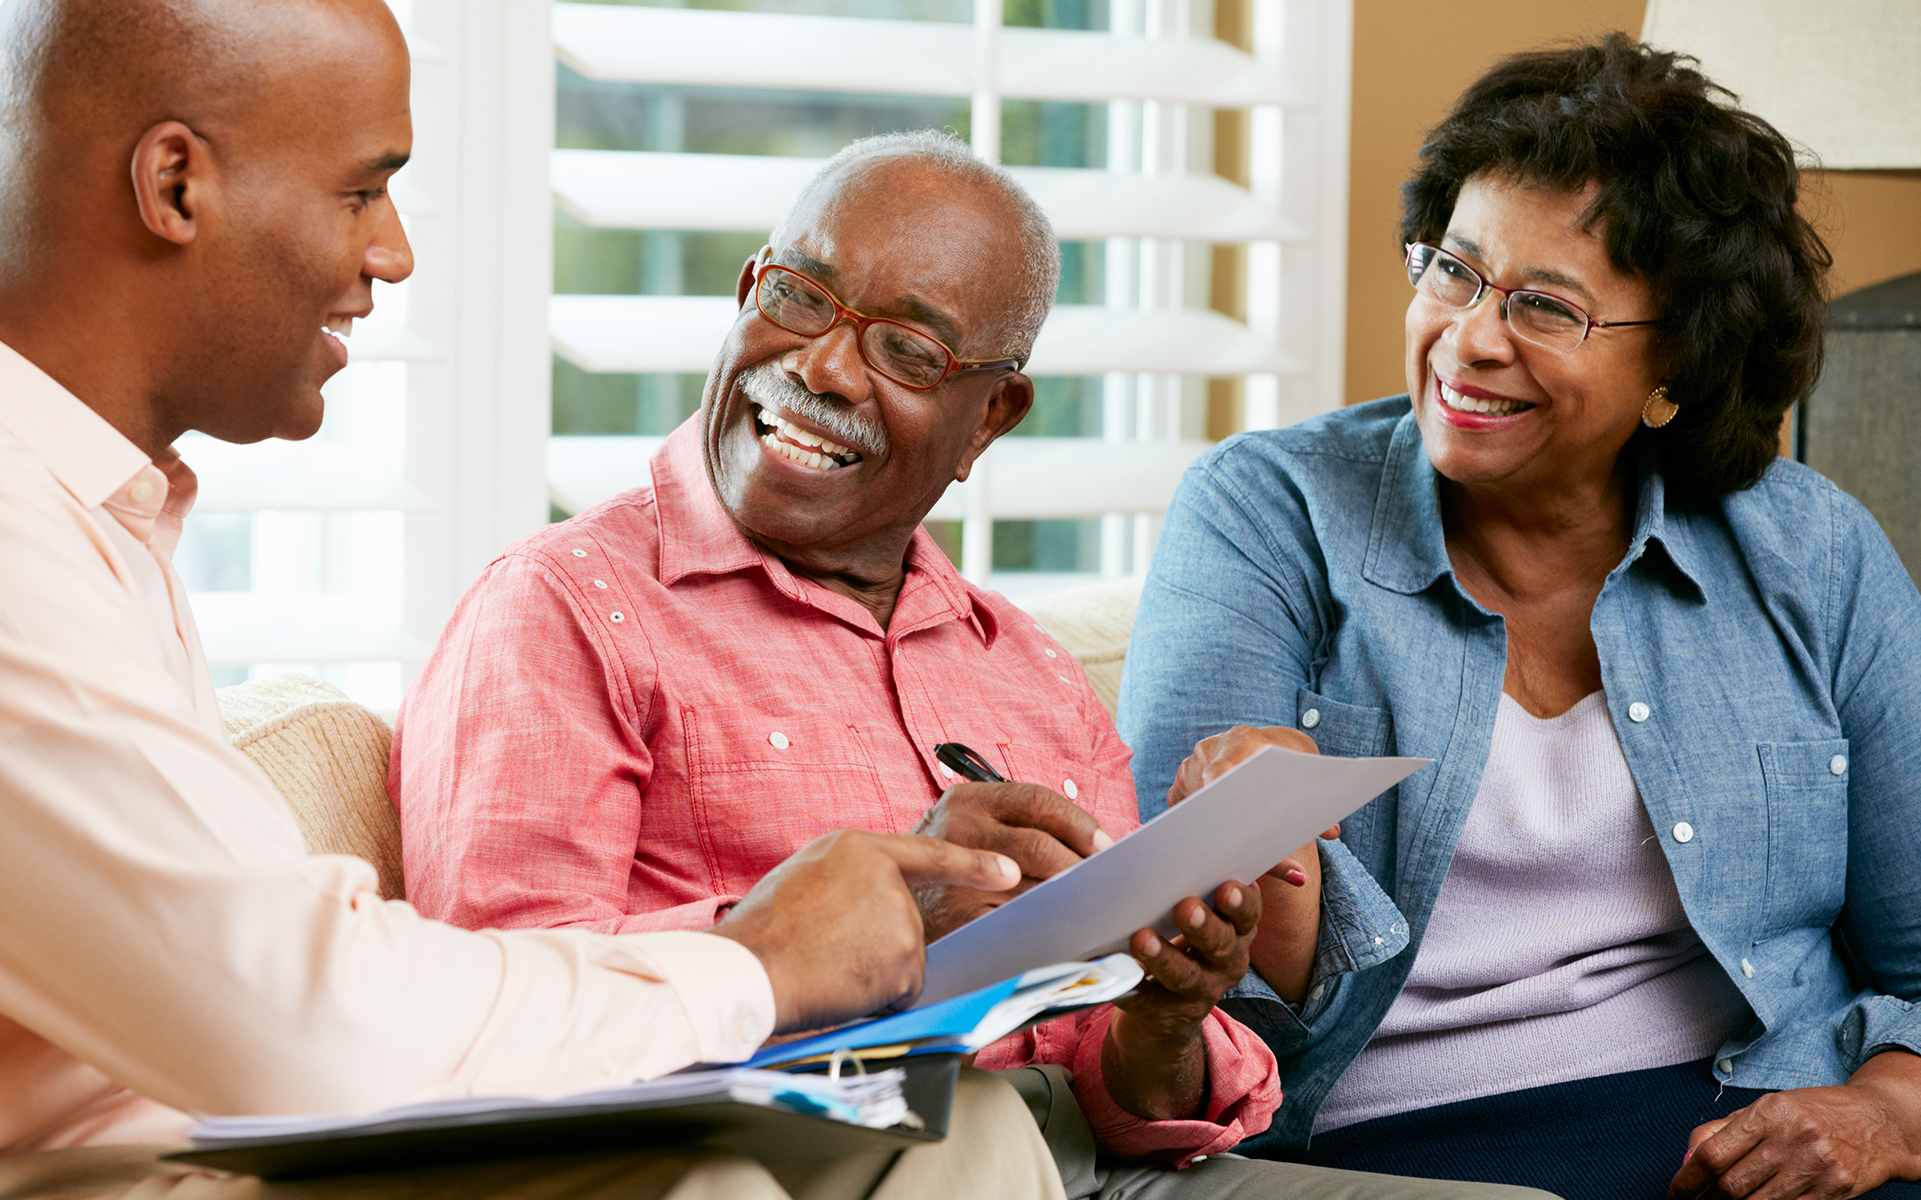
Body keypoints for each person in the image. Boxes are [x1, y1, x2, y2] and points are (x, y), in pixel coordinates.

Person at [0, 3, 1069, 1198]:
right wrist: (754, 961)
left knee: (961, 1132)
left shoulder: (46, 492)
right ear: (176, 185)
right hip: (94, 1172)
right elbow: (300, 1027)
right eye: (362, 188)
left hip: (206, 1140)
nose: (391, 254)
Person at [393, 132, 1550, 1200]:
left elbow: (1134, 1096)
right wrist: (858, 923)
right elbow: (500, 1010)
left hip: (1090, 1162)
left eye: (904, 347)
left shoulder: (1025, 667)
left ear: (990, 415)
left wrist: (1162, 1009)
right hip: (802, 1154)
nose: (826, 367)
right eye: (799, 296)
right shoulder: (565, 608)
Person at [1117, 33, 1921, 1200]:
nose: (1470, 336)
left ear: (1674, 373)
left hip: (1762, 1116)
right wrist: (1253, 878)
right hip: (1391, 1144)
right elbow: (1197, 1001)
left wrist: (1886, 1110)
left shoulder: (1810, 550)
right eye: (1453, 269)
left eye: (1546, 306)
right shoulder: (1266, 513)